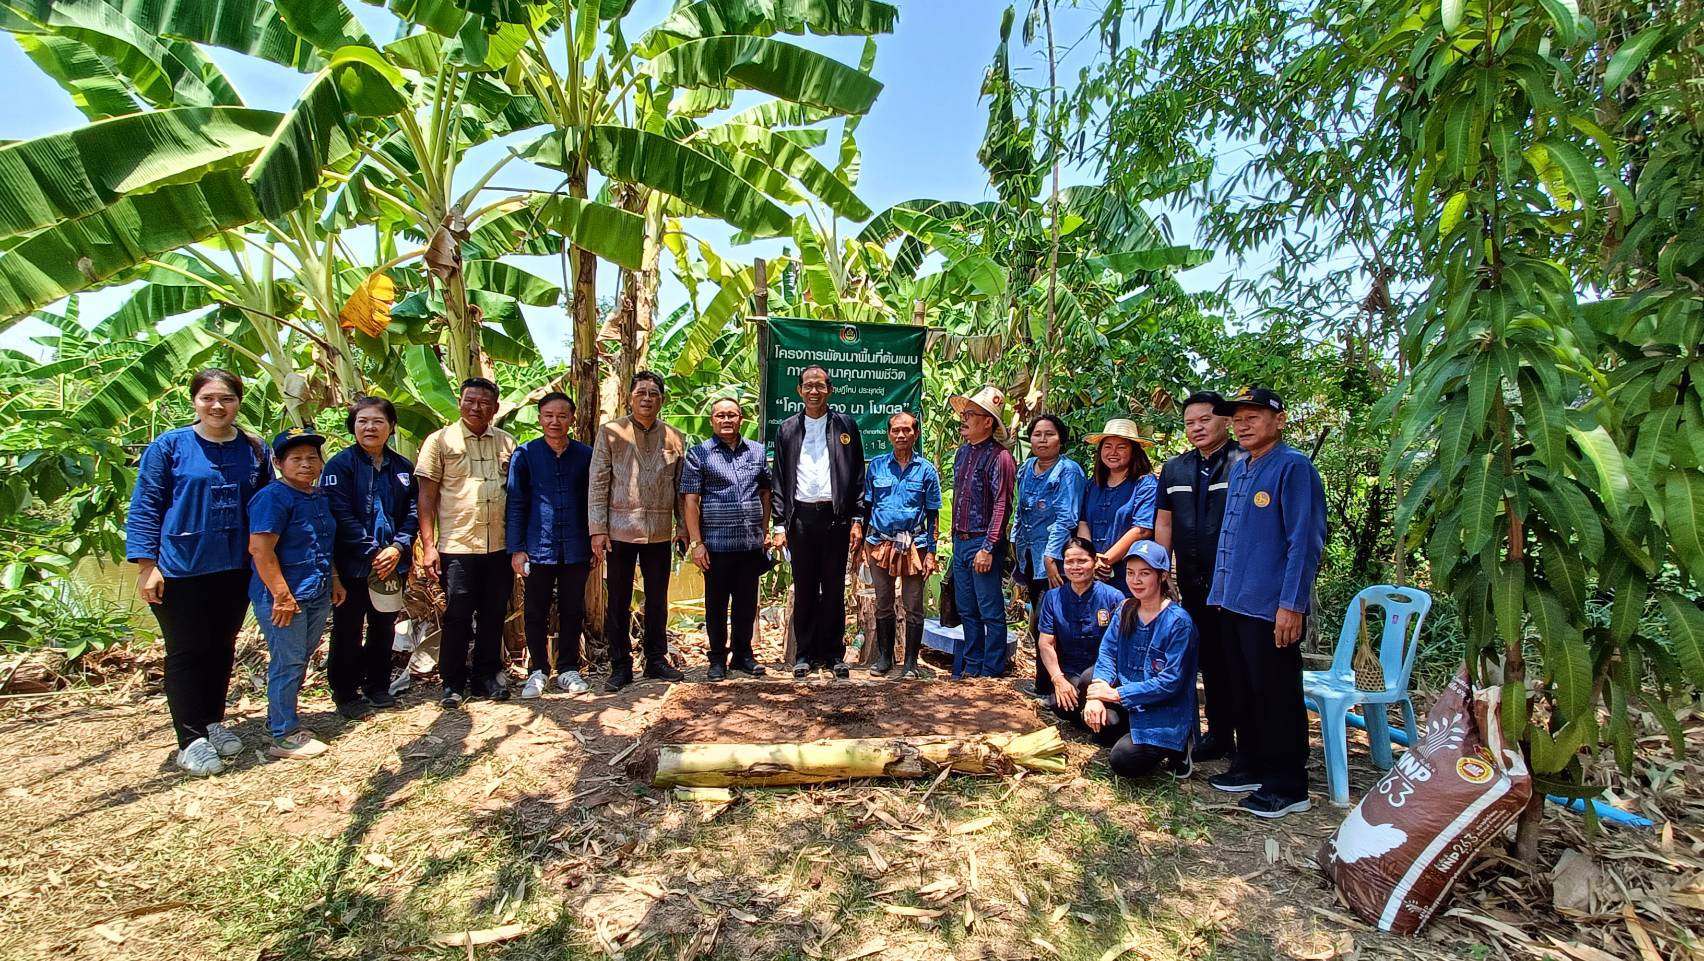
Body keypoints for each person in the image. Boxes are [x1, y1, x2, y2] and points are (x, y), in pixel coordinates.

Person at [127, 369, 273, 776]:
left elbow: (266, 505)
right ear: (195, 400)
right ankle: (189, 739)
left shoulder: (253, 449)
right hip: (181, 567)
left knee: (221, 645)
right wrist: (147, 566)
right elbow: (145, 506)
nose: (217, 406)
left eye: (226, 398)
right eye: (208, 397)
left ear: (238, 402)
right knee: (187, 651)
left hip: (236, 565)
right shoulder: (169, 446)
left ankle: (211, 720)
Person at [1205, 388, 1326, 819]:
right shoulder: (1241, 469)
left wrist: (1291, 606)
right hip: (1231, 602)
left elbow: (1304, 544)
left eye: (1254, 415)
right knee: (1244, 690)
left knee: (1276, 694)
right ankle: (1252, 765)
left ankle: (1287, 784)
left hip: (1269, 607)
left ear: (1279, 419)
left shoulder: (1294, 468)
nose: (1243, 423)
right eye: (1238, 417)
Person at [1055, 540, 1198, 780]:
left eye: (1145, 574)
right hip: (1130, 700)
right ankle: (1127, 728)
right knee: (1088, 686)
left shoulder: (1178, 623)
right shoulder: (1126, 609)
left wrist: (1114, 695)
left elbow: (1169, 682)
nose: (1136, 580)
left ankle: (1180, 744)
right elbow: (1108, 653)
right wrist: (1095, 695)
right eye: (1130, 573)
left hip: (1162, 707)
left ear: (1162, 576)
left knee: (1123, 760)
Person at [1154, 390, 1245, 762]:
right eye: (1190, 423)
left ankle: (1249, 742)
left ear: (1225, 420)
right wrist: (1165, 570)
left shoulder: (1244, 461)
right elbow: (1164, 521)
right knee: (1208, 659)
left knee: (1240, 661)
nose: (1197, 428)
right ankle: (1218, 734)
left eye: (1204, 420)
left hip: (1237, 586)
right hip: (1192, 582)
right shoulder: (1175, 469)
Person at [416, 377, 518, 709]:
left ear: (495, 408)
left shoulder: (507, 443)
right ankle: (453, 681)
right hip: (458, 545)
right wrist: (429, 545)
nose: (477, 408)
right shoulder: (440, 441)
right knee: (457, 614)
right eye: (470, 401)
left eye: (484, 403)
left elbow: (515, 496)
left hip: (498, 545)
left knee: (492, 613)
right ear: (460, 402)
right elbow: (427, 497)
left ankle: (486, 676)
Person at [248, 427, 346, 760]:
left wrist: (333, 579)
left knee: (298, 658)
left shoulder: (317, 496)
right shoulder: (272, 497)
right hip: (284, 596)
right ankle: (284, 734)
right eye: (296, 459)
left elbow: (322, 544)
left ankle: (279, 718)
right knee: (288, 662)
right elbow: (261, 550)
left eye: (311, 458)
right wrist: (281, 595)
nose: (305, 464)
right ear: (278, 462)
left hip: (314, 590)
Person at [589, 371, 688, 690]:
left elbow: (681, 486)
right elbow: (598, 482)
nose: (647, 399)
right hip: (619, 532)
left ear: (662, 400)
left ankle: (656, 659)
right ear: (630, 397)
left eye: (654, 394)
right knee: (618, 599)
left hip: (659, 532)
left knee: (658, 599)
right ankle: (620, 666)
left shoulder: (674, 436)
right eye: (641, 393)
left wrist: (683, 527)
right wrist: (597, 529)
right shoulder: (611, 432)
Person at [322, 397, 418, 720]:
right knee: (348, 629)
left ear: (391, 427)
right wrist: (372, 551)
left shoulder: (403, 468)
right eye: (362, 421)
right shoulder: (339, 466)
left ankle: (377, 685)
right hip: (354, 564)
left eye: (378, 421)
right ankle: (345, 691)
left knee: (383, 626)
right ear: (353, 426)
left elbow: (413, 512)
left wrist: (399, 547)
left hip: (393, 564)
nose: (370, 427)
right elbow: (340, 514)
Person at [771, 366, 866, 679]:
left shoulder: (846, 426)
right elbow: (780, 480)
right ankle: (804, 654)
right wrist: (779, 524)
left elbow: (856, 477)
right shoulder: (787, 429)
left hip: (835, 519)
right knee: (806, 588)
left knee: (835, 588)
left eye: (820, 386)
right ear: (799, 391)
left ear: (830, 390)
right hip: (800, 519)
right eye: (808, 386)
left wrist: (856, 519)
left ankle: (833, 654)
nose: (814, 391)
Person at [506, 392, 594, 699]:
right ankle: (538, 671)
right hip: (537, 545)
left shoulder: (586, 455)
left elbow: (595, 500)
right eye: (548, 415)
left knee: (573, 609)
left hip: (577, 545)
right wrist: (517, 548)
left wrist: (596, 538)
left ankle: (569, 669)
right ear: (540, 417)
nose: (555, 422)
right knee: (535, 610)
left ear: (571, 419)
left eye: (561, 416)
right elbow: (516, 503)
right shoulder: (526, 454)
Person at [681, 397, 772, 681]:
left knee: (746, 602)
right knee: (716, 604)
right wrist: (697, 543)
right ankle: (717, 658)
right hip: (716, 545)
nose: (726, 420)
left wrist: (764, 530)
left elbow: (766, 493)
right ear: (712, 421)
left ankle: (743, 655)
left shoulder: (757, 452)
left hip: (749, 543)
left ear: (741, 419)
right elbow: (691, 501)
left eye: (732, 415)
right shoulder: (699, 454)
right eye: (720, 415)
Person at [860, 410, 942, 678]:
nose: (901, 435)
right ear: (888, 434)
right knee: (883, 602)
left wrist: (931, 552)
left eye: (907, 430)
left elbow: (933, 514)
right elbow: (867, 506)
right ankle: (885, 659)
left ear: (915, 434)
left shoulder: (926, 470)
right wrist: (862, 543)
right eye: (896, 430)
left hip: (914, 546)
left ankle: (911, 664)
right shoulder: (877, 466)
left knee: (913, 604)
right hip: (879, 543)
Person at [1010, 413, 1086, 697]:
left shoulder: (1069, 471)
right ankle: (1044, 684)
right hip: (1030, 555)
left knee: (1051, 619)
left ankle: (1054, 686)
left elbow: (1067, 518)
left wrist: (1051, 556)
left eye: (1049, 434)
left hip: (1056, 561)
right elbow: (1021, 511)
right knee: (1041, 619)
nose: (1042, 439)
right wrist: (1016, 545)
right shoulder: (1027, 469)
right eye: (1037, 434)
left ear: (1061, 440)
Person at [947, 385, 1017, 679]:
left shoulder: (999, 457)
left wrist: (988, 547)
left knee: (990, 610)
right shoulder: (963, 453)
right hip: (961, 541)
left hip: (982, 542)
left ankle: (992, 672)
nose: (964, 419)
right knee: (967, 609)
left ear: (988, 421)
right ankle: (972, 667)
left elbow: (1002, 504)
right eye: (964, 414)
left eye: (971, 415)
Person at [1037, 537, 1126, 713]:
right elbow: (1046, 643)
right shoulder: (1052, 597)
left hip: (1104, 674)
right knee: (1062, 704)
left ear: (1094, 562)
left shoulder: (1114, 597)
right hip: (1069, 674)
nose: (1075, 567)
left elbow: (1122, 646)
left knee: (1087, 683)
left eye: (1082, 561)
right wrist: (1058, 679)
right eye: (1070, 562)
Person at [1076, 418, 1159, 596]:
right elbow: (1083, 522)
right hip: (1093, 572)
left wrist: (1105, 561)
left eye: (1121, 447)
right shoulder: (1093, 484)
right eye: (1107, 446)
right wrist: (1091, 559)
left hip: (1129, 572)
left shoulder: (1145, 484)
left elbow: (1142, 530)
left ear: (1134, 451)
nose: (1113, 452)